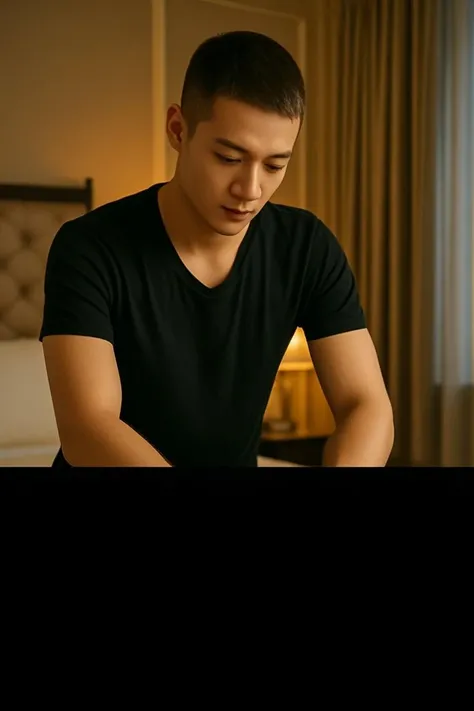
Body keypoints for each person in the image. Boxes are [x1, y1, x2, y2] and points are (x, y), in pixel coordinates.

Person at [40, 30, 394, 468]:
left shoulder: (306, 247)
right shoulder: (90, 247)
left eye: (275, 165)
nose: (251, 189)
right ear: (178, 130)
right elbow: (88, 427)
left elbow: (366, 404)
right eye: (229, 158)